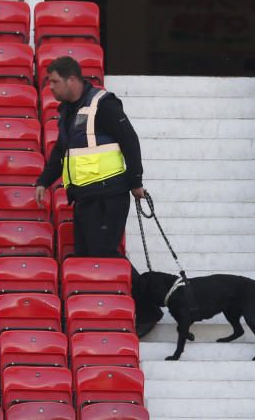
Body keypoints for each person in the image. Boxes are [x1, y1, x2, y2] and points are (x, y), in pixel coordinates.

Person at [35, 55, 163, 336]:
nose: (51, 88)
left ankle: (148, 308)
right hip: (84, 197)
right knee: (85, 257)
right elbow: (61, 152)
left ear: (72, 79)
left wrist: (136, 181)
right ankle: (105, 313)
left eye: (55, 82)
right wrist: (45, 180)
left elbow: (129, 139)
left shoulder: (103, 104)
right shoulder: (68, 110)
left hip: (111, 194)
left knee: (103, 253)